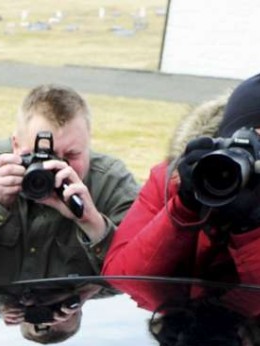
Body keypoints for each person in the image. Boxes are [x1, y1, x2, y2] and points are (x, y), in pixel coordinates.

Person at [0, 84, 139, 290]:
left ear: (88, 147)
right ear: (15, 145)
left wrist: (92, 222)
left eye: (72, 156)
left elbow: (141, 281)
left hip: (82, 326)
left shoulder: (110, 182)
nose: (56, 166)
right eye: (40, 156)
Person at [102, 73, 260, 283]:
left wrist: (249, 231)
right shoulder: (173, 179)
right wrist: (183, 207)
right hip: (175, 313)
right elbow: (124, 279)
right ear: (221, 138)